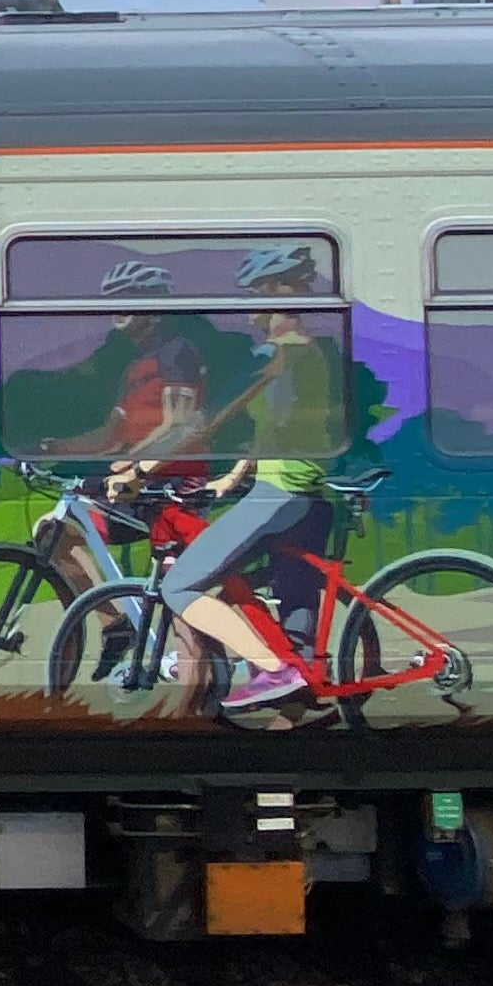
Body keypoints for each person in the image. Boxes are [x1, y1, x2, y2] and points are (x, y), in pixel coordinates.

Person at [157, 298, 341, 711]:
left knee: (180, 585)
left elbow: (210, 418)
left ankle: (273, 671)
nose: (247, 307)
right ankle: (295, 702)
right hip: (308, 495)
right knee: (293, 599)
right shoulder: (312, 352)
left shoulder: (275, 353)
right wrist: (234, 477)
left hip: (279, 494)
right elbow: (278, 427)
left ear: (277, 298)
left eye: (255, 295)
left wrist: (139, 469)